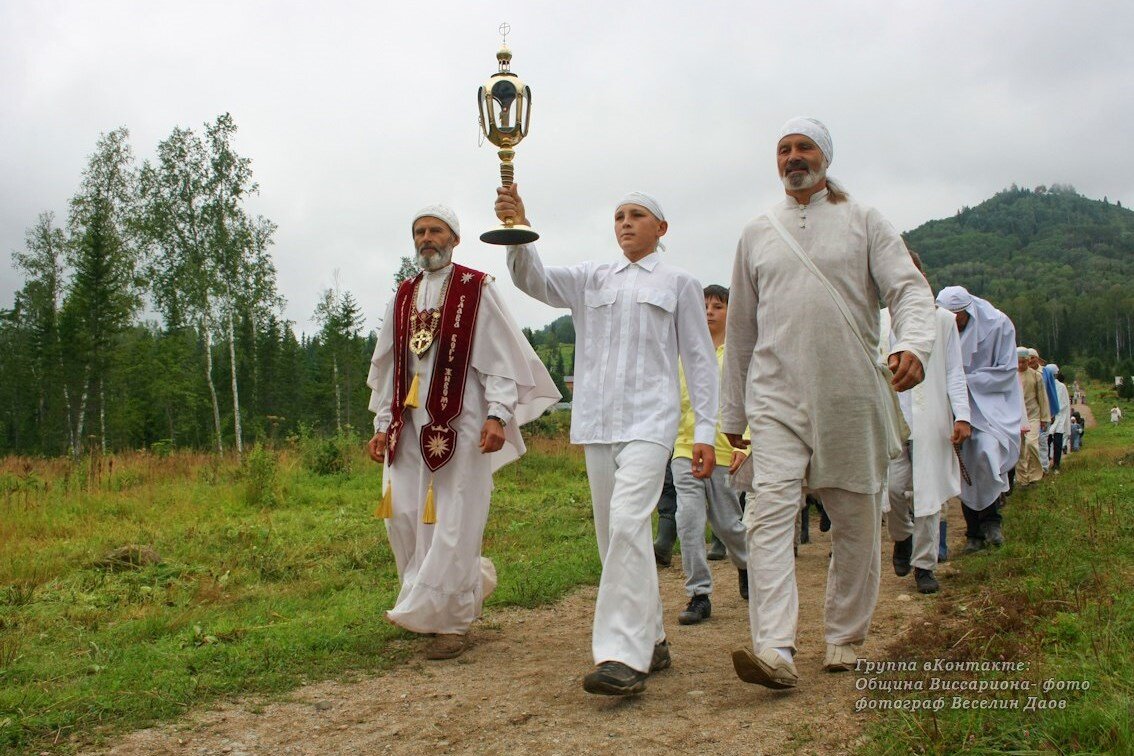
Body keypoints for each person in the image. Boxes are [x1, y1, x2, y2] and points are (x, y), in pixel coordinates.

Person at [721, 117, 936, 689]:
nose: (793, 157)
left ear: (826, 156)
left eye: (804, 147)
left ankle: (844, 637)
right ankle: (774, 649)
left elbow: (908, 290)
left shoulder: (865, 220)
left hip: (849, 394)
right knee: (767, 516)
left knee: (857, 519)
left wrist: (913, 342)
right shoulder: (757, 231)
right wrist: (733, 416)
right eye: (784, 149)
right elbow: (741, 329)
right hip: (776, 396)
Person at [497, 186, 720, 696]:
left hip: (651, 422)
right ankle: (656, 638)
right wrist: (517, 233)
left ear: (660, 228)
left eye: (637, 215)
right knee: (614, 537)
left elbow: (701, 362)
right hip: (597, 423)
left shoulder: (680, 283)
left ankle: (623, 655)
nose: (625, 223)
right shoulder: (590, 277)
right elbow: (531, 279)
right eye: (619, 216)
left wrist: (704, 430)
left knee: (626, 523)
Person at [366, 205, 559, 660]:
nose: (426, 238)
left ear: (454, 238)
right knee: (405, 515)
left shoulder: (477, 289)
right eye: (419, 231)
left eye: (435, 230)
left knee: (455, 518)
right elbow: (390, 364)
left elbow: (501, 359)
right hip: (407, 424)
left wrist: (497, 414)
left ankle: (451, 621)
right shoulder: (404, 293)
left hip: (463, 420)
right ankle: (426, 600)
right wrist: (379, 423)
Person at [883, 252, 971, 595]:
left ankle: (925, 565)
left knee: (928, 495)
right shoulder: (880, 321)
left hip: (930, 419)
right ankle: (902, 538)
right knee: (893, 490)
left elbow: (953, 371)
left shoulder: (944, 321)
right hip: (893, 421)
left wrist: (962, 416)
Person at [672, 284, 750, 625]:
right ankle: (698, 594)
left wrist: (746, 444)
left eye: (717, 306)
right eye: (703, 305)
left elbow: (754, 399)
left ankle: (749, 565)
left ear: (730, 311)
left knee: (728, 524)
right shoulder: (683, 351)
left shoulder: (739, 353)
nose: (709, 311)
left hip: (725, 449)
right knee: (687, 520)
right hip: (684, 448)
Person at [936, 287, 1023, 552]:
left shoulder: (998, 325)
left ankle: (992, 520)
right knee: (963, 465)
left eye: (957, 318)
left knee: (985, 455)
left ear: (968, 312)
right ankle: (973, 532)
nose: (953, 323)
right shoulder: (940, 325)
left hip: (989, 405)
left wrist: (965, 381)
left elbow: (1006, 371)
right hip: (952, 405)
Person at [1015, 347, 1049, 485]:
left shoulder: (1036, 375)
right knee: (1019, 449)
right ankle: (1023, 478)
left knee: (1031, 445)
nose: (1021, 365)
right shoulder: (1011, 376)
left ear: (1028, 361)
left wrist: (1044, 418)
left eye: (1023, 362)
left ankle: (1035, 475)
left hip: (1033, 416)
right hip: (1017, 418)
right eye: (1018, 362)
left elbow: (1042, 398)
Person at [1046, 365, 1070, 472]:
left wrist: (1054, 414)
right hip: (1047, 417)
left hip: (1058, 417)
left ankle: (1056, 464)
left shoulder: (1061, 387)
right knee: (1046, 441)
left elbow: (1064, 403)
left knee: (1057, 441)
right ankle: (1046, 462)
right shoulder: (1044, 384)